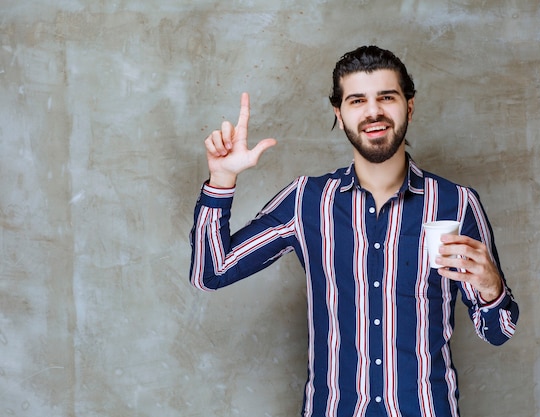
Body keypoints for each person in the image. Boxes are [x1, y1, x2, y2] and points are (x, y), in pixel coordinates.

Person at [189, 45, 519, 417]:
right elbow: (210, 271)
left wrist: (492, 289)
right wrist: (221, 180)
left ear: (409, 106)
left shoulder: (456, 204)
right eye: (357, 100)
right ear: (339, 114)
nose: (373, 111)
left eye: (387, 97)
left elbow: (498, 331)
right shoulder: (306, 201)